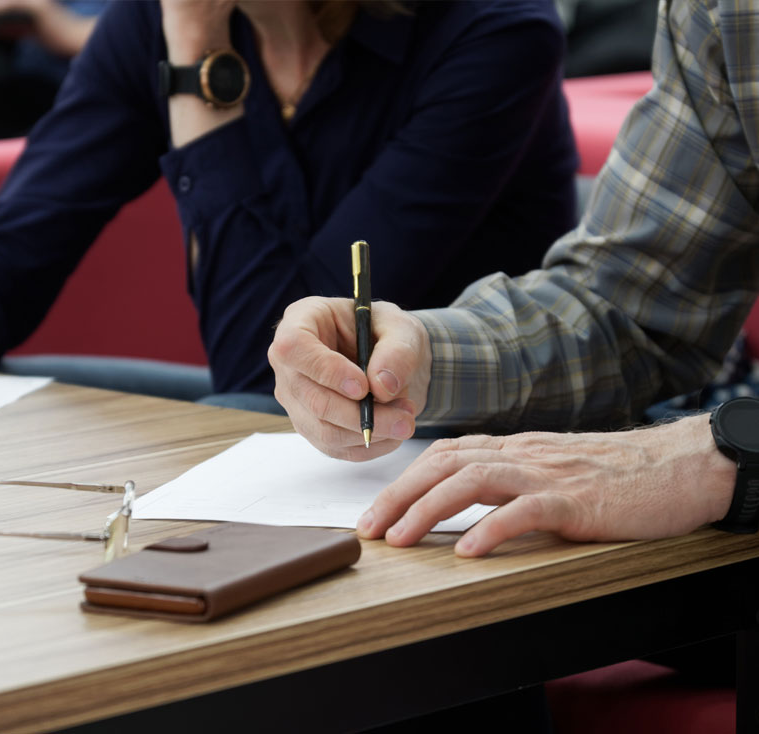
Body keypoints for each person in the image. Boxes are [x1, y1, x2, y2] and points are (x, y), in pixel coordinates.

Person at [0, 0, 578, 414]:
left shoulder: (491, 30)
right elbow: (4, 264)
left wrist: (195, 58)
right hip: (290, 441)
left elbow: (270, 364)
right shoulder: (145, 23)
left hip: (462, 427)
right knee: (17, 400)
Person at [266, 0, 758, 555]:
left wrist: (716, 455)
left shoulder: (493, 29)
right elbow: (630, 310)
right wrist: (422, 359)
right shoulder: (723, 12)